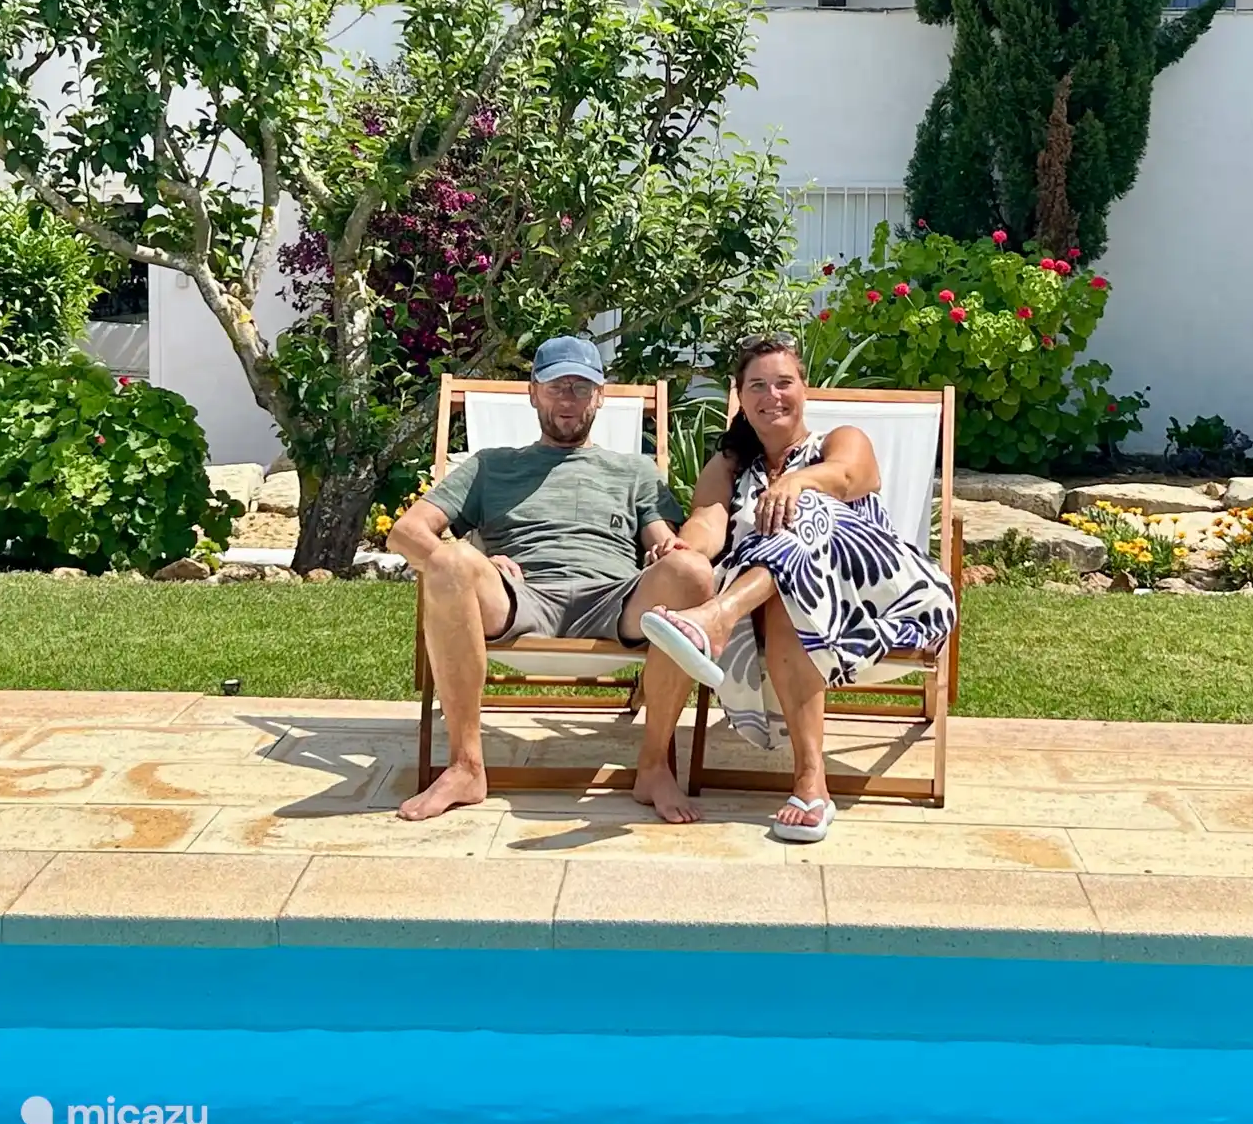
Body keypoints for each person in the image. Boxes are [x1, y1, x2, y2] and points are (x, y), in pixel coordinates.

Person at [637, 334, 957, 842]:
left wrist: (795, 483)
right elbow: (708, 524)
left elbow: (847, 477)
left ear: (805, 389)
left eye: (784, 383)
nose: (773, 396)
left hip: (886, 602)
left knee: (806, 510)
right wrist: (683, 548)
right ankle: (811, 786)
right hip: (796, 610)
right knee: (788, 592)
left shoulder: (840, 441)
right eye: (757, 386)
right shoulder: (730, 467)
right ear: (741, 398)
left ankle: (717, 618)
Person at [389, 334, 715, 825]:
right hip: (520, 598)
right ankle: (465, 767)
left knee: (692, 571)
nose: (569, 399)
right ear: (533, 393)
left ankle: (653, 767)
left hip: (612, 599)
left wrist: (665, 549)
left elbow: (662, 539)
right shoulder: (492, 465)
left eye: (581, 388)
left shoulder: (634, 470)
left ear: (600, 397)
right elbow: (406, 533)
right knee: (450, 561)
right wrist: (477, 564)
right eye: (556, 386)